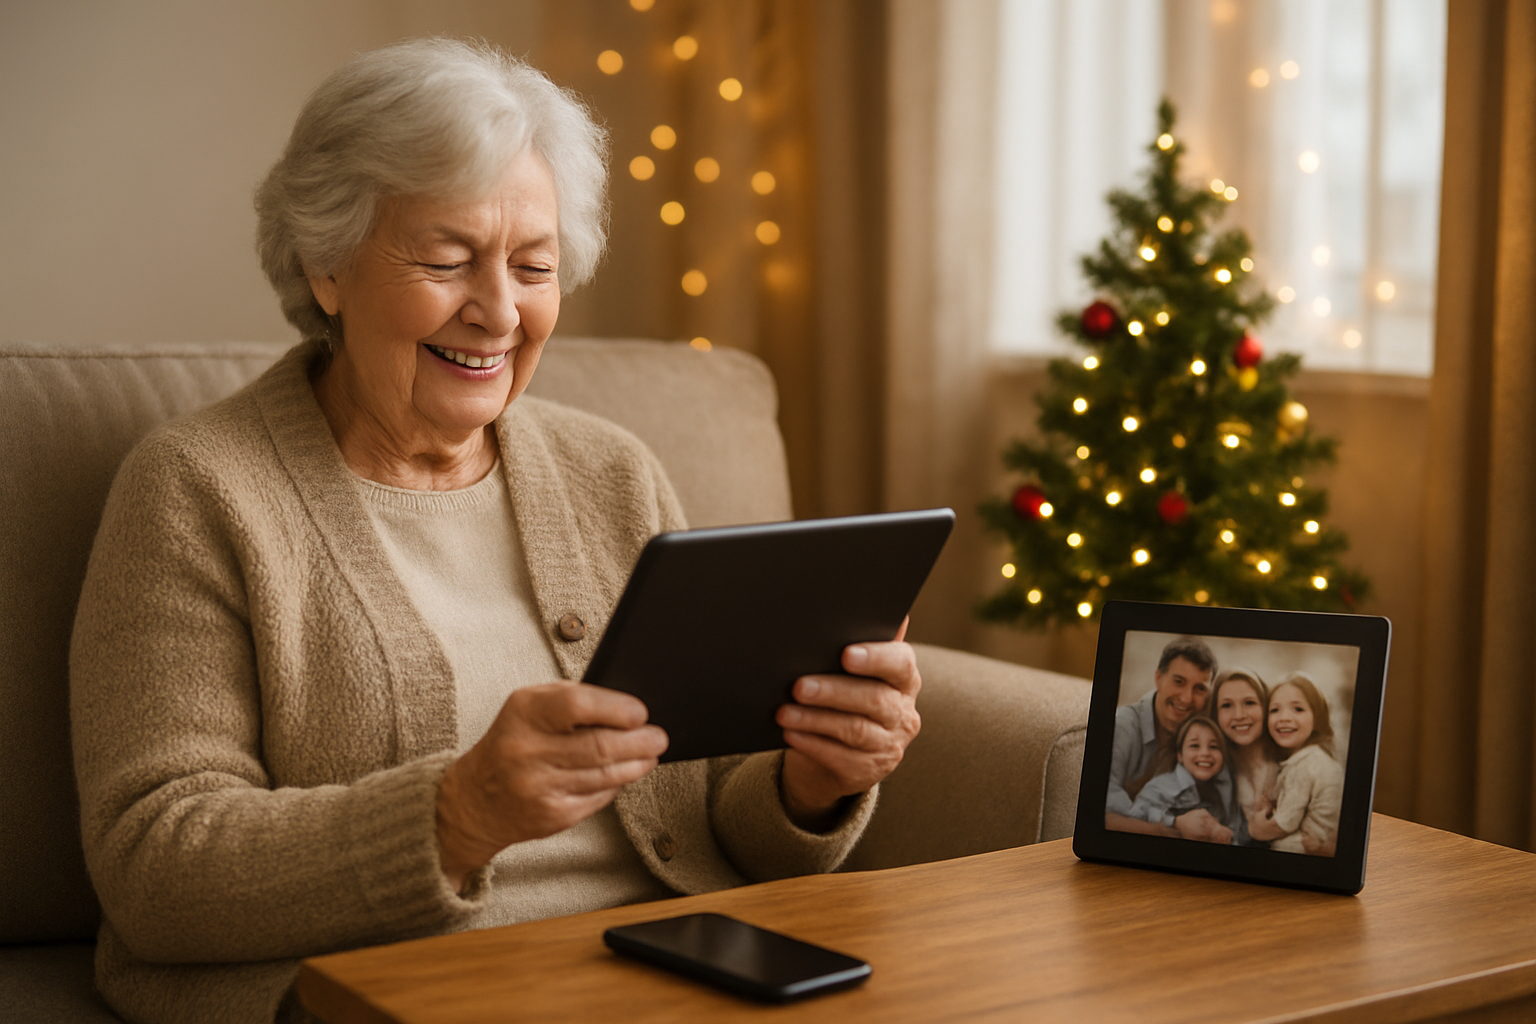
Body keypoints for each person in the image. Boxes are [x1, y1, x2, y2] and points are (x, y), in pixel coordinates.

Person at [69, 39, 921, 1024]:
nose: (499, 311)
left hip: (665, 972)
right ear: (326, 267)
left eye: (533, 266)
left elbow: (720, 811)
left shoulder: (614, 473)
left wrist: (810, 779)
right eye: (446, 260)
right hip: (374, 992)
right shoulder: (196, 490)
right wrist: (458, 811)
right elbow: (154, 866)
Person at [1105, 636, 1218, 838]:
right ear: (1158, 678)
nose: (1186, 698)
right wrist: (1169, 827)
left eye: (1199, 688)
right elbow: (1102, 806)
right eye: (1178, 682)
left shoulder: (1203, 737)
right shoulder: (1123, 726)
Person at [1247, 673, 1343, 856]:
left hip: (1302, 849)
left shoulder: (1306, 765)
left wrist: (1255, 827)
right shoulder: (1312, 758)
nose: (1284, 717)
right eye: (1274, 710)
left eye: (1297, 709)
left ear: (1317, 717)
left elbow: (1283, 824)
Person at [1126, 716, 1236, 844]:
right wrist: (1175, 823)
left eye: (1214, 746)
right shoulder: (1161, 785)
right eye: (1195, 745)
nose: (1205, 753)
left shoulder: (1225, 789)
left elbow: (1234, 829)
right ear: (1180, 756)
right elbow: (1135, 816)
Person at [1207, 668, 1280, 847]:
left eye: (1249, 703)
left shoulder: (1291, 761)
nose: (1239, 715)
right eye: (1226, 705)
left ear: (1266, 706)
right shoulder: (1212, 771)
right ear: (1215, 715)